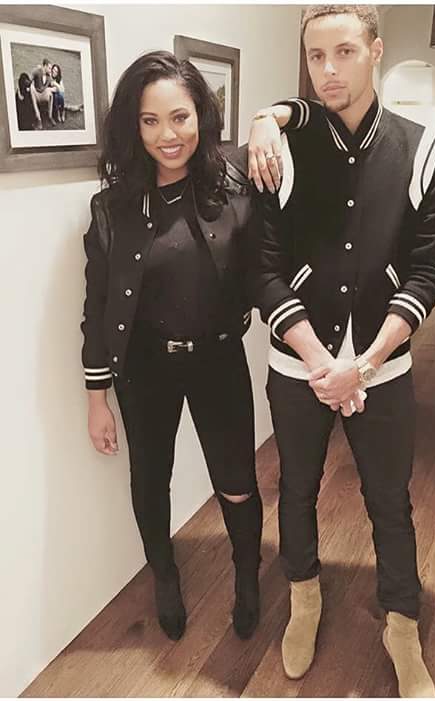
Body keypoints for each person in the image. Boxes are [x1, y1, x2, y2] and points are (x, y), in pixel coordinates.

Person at [247, 5, 435, 696]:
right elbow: (264, 268)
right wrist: (319, 362)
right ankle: (304, 596)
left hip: (382, 366)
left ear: (376, 50)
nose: (328, 70)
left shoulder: (424, 151)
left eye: (344, 52)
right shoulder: (281, 149)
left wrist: (363, 364)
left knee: (389, 499)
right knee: (296, 488)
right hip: (297, 363)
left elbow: (428, 270)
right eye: (315, 56)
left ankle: (402, 624)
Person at [81, 50, 262, 642]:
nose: (168, 134)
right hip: (144, 369)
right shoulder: (112, 208)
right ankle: (164, 576)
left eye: (180, 117)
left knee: (236, 479)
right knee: (149, 479)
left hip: (218, 359)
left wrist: (272, 120)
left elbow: (267, 267)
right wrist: (96, 397)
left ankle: (247, 577)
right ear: (133, 127)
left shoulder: (235, 187)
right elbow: (98, 308)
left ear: (201, 116)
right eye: (151, 120)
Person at [30, 58, 55, 128]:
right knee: (31, 88)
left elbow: (54, 87)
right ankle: (39, 119)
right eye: (49, 68)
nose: (50, 70)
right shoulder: (37, 71)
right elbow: (29, 80)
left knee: (51, 94)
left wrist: (51, 88)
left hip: (43, 95)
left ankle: (50, 117)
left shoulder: (49, 77)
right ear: (45, 66)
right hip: (36, 94)